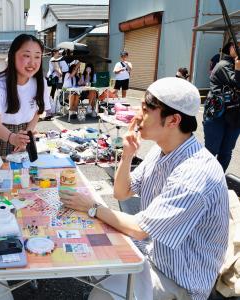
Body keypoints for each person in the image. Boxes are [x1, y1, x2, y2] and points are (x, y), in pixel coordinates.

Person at [59, 77, 229, 299]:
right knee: (91, 254)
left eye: (147, 109)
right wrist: (128, 154)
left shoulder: (194, 173)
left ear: (173, 120)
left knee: (101, 295)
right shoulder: (162, 151)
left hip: (178, 280)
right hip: (152, 254)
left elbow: (141, 229)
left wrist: (92, 207)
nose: (137, 115)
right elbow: (122, 192)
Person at [0, 34, 50, 157]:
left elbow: (37, 112)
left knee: (26, 174)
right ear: (13, 56)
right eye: (26, 55)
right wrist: (13, 138)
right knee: (0, 174)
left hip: (24, 136)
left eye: (37, 56)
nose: (32, 62)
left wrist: (26, 135)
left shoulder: (41, 83)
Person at [203, 40, 240, 172]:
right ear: (230, 47)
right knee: (210, 152)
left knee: (226, 152)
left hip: (235, 117)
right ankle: (202, 182)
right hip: (217, 115)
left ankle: (217, 182)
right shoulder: (223, 65)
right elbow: (237, 82)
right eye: (238, 45)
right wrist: (238, 68)